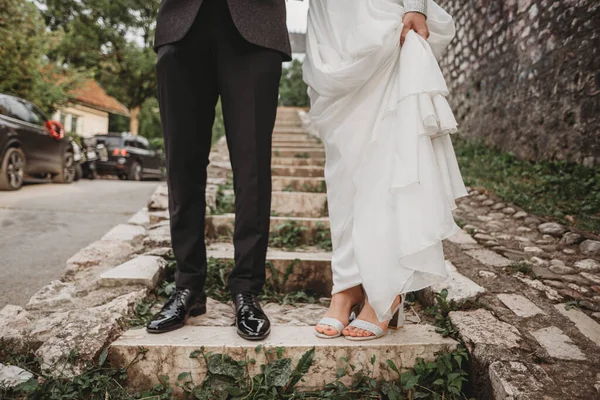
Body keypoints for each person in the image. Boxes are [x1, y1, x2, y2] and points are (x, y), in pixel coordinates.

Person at [303, 0, 468, 340]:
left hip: (380, 17)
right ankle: (347, 284)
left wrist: (417, 4)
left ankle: (386, 288)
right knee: (343, 167)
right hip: (332, 25)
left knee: (384, 155)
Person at [146, 0, 292, 341]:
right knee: (182, 165)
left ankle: (246, 290)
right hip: (182, 24)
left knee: (252, 167)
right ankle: (188, 286)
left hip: (255, 27)